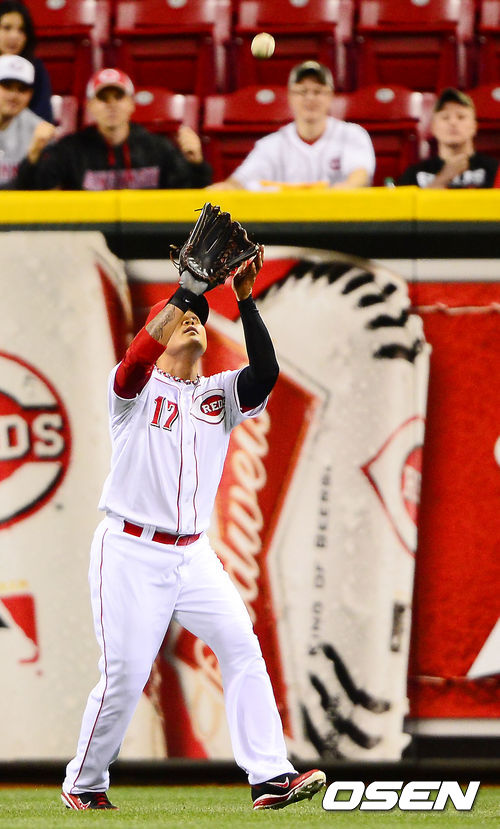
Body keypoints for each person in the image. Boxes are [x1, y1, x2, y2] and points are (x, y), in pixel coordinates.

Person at [60, 219, 326, 812]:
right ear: (161, 334)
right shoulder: (132, 392)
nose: (193, 322)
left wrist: (245, 299)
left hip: (192, 555)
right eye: (181, 319)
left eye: (200, 319)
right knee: (126, 675)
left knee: (241, 646)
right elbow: (136, 358)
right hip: (129, 550)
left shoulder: (219, 395)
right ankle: (85, 781)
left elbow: (265, 374)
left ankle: (270, 776)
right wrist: (189, 291)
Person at [31, 67, 211, 190]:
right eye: (103, 98)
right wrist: (34, 155)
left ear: (132, 103)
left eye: (118, 97)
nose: (112, 105)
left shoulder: (158, 148)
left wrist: (196, 164)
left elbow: (189, 198)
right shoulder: (70, 149)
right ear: (90, 106)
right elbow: (39, 192)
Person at [208, 60, 375, 190]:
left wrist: (338, 192)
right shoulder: (272, 144)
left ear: (330, 96)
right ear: (290, 97)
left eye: (318, 91)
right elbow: (240, 182)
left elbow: (360, 176)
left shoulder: (352, 134)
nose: (310, 98)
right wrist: (225, 189)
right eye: (302, 91)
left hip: (338, 219)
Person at [397, 88, 500, 189]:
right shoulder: (414, 173)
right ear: (433, 127)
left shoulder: (495, 169)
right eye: (445, 117)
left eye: (461, 117)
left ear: (474, 126)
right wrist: (444, 177)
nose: (453, 122)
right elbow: (404, 201)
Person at [0, 53, 54, 186]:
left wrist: (34, 155)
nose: (14, 95)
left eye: (22, 89)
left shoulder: (40, 132)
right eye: (7, 86)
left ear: (30, 94)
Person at [0, 1, 53, 122]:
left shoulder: (36, 69)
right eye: (7, 28)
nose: (14, 36)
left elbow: (43, 118)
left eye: (22, 30)